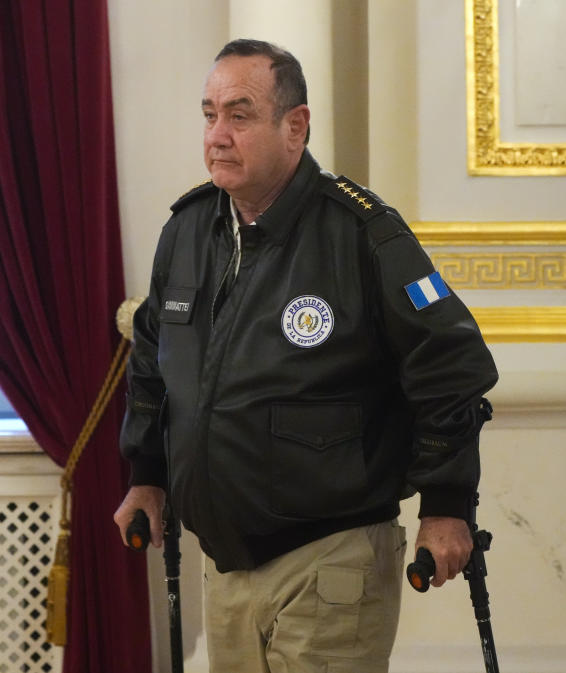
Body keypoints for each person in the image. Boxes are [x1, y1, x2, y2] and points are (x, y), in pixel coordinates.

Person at [113, 39, 498, 673]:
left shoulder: (361, 234)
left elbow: (449, 366)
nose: (217, 135)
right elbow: (154, 363)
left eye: (239, 115)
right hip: (227, 564)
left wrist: (447, 505)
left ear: (296, 126)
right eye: (208, 114)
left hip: (332, 558)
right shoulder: (187, 231)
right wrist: (146, 475)